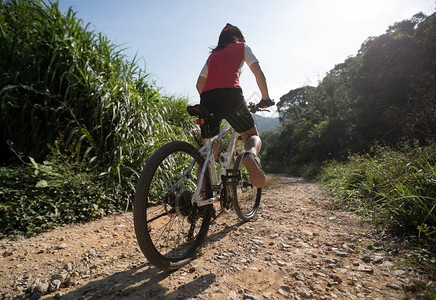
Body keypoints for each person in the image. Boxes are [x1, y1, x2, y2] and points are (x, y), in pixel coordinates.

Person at [196, 23, 273, 188]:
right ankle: (250, 156)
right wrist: (265, 98)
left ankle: (201, 199)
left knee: (208, 152)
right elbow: (258, 73)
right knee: (252, 136)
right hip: (231, 97)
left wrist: (212, 102)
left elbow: (199, 84)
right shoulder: (242, 47)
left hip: (207, 99)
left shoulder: (213, 55)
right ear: (238, 37)